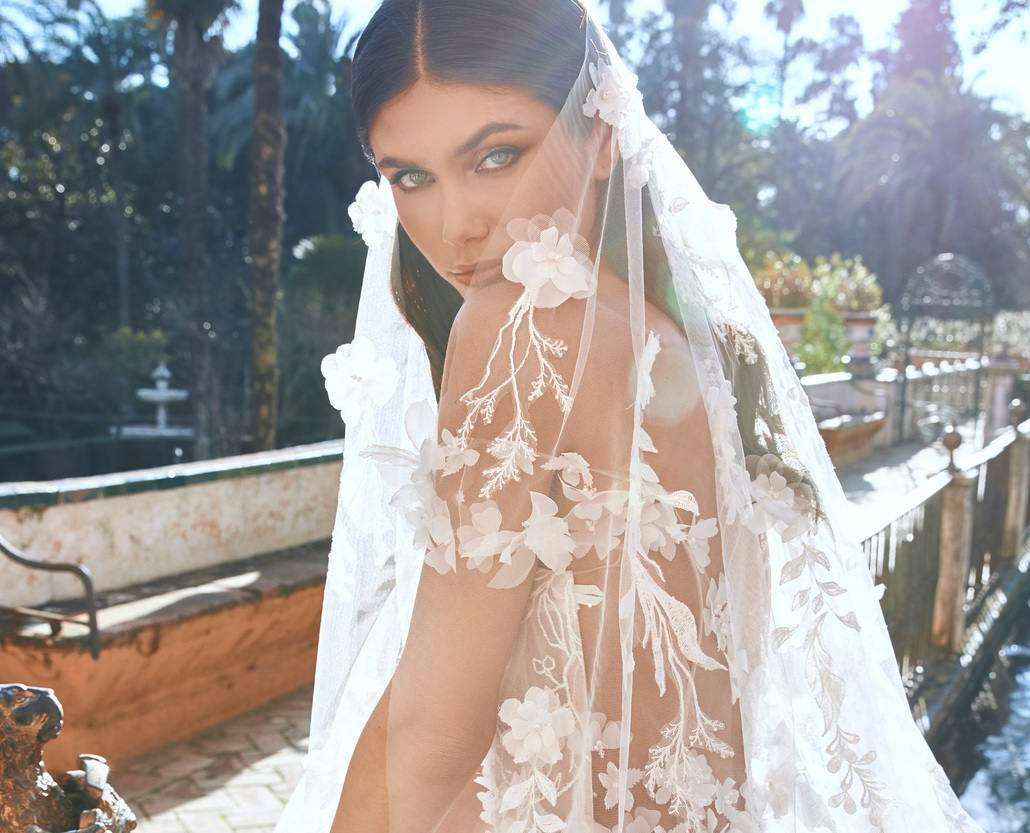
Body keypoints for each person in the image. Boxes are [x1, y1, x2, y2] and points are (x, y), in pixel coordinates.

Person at [273, 2, 987, 832]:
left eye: (496, 155)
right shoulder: (689, 344)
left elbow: (430, 738)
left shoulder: (524, 324)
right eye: (411, 176)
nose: (455, 222)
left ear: (602, 131)